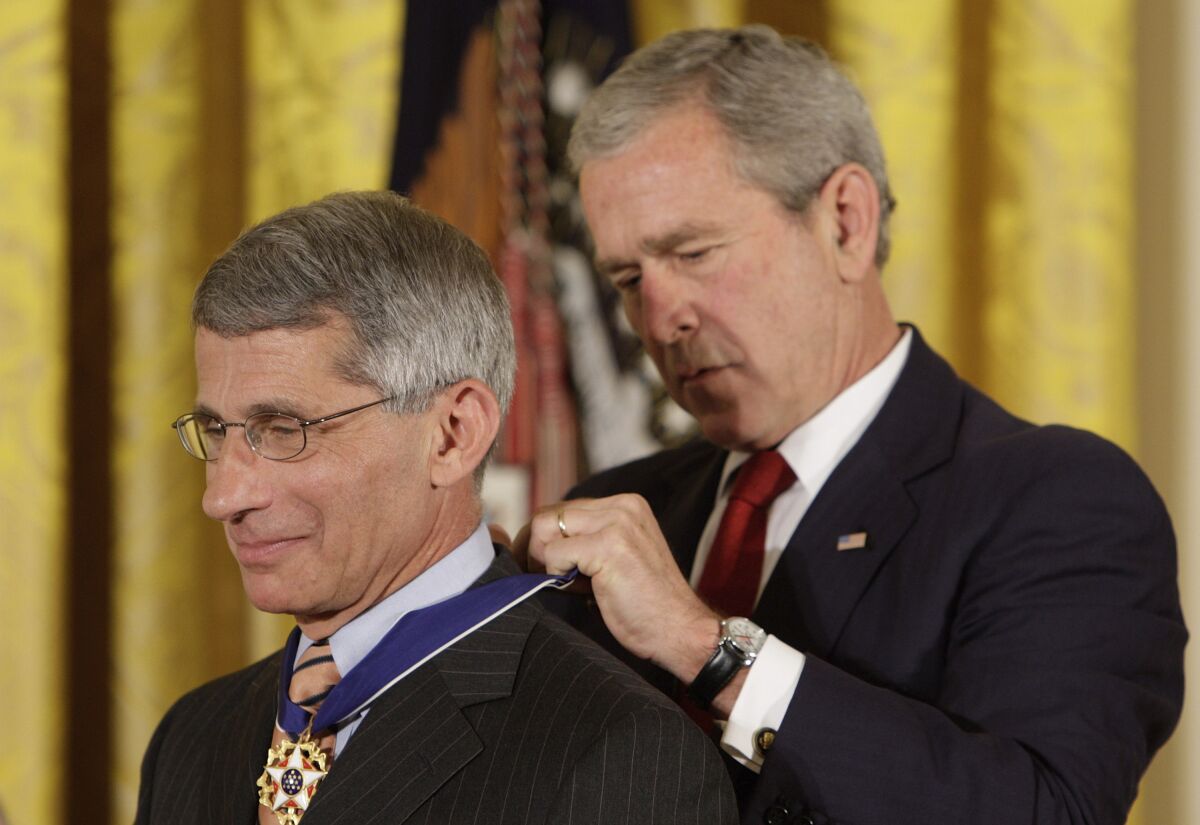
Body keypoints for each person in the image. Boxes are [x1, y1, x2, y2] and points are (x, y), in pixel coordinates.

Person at [519, 25, 1187, 825]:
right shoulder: (621, 508)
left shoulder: (1054, 498)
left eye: (693, 253)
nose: (659, 319)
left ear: (845, 220)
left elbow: (1044, 809)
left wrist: (707, 647)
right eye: (627, 277)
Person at [134, 191, 737, 825]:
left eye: (283, 429)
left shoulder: (616, 751)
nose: (222, 496)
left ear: (453, 434)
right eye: (217, 432)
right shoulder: (193, 736)